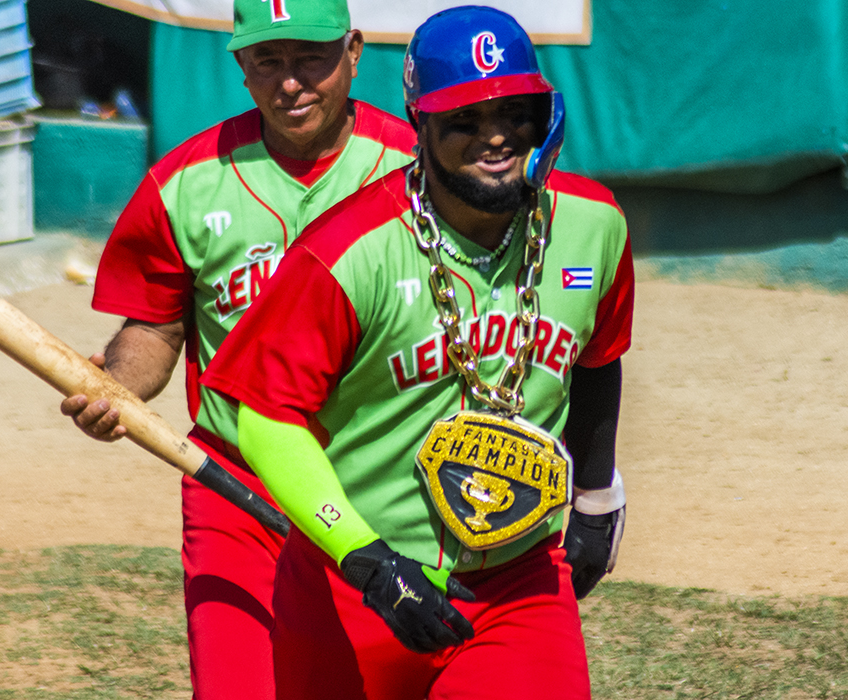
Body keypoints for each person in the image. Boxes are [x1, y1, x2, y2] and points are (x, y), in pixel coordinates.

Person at [201, 6, 633, 699]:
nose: (496, 136)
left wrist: (596, 495)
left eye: (514, 112)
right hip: (350, 591)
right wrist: (364, 559)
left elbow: (597, 360)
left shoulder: (594, 227)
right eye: (464, 121)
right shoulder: (346, 250)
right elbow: (267, 420)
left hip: (517, 583)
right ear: (420, 127)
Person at [58, 0, 416, 697]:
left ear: (354, 52)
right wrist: (119, 388)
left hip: (381, 482)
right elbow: (156, 328)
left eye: (310, 57)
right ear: (241, 69)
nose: (291, 82)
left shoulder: (416, 169)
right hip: (236, 492)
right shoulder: (185, 183)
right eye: (268, 61)